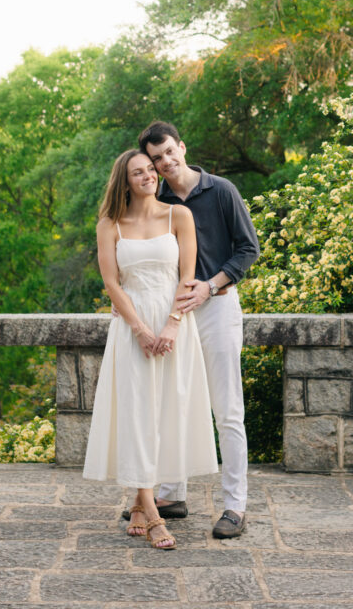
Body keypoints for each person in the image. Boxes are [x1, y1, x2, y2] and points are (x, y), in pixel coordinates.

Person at [82, 149, 218, 550]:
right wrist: (140, 329)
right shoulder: (110, 224)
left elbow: (188, 276)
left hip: (175, 327)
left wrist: (172, 325)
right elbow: (112, 284)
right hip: (131, 329)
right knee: (137, 415)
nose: (148, 177)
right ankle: (153, 515)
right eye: (138, 173)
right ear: (124, 181)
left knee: (164, 414)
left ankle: (140, 503)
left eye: (150, 170)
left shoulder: (179, 216)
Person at [137, 121, 260, 539]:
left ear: (182, 147)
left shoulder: (221, 190)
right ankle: (172, 494)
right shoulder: (158, 199)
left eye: (169, 152)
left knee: (227, 411)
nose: (165, 162)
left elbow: (249, 249)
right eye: (157, 158)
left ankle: (235, 506)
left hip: (218, 308)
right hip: (174, 314)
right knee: (176, 404)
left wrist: (211, 286)